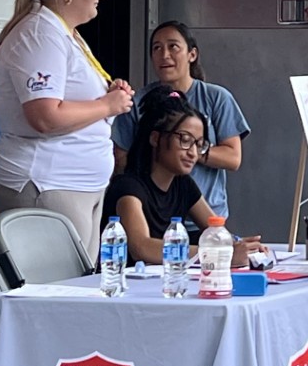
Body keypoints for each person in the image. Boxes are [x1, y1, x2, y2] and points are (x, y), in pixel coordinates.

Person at [0, 0, 134, 257]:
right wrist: (107, 106)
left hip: (73, 183)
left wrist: (107, 94)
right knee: (61, 291)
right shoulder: (40, 34)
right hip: (47, 180)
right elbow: (45, 116)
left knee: (78, 286)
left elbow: (70, 98)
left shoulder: (64, 33)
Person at [111, 21, 250, 223]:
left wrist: (185, 148)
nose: (164, 55)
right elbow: (122, 160)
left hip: (207, 216)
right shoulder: (137, 102)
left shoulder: (217, 97)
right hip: (153, 214)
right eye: (157, 48)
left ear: (192, 55)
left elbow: (233, 158)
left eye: (173, 46)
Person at [105, 101, 264, 266]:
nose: (193, 153)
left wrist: (241, 247)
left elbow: (216, 229)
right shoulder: (128, 187)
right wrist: (218, 255)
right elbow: (141, 248)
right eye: (185, 140)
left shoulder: (182, 183)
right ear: (155, 138)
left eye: (199, 144)